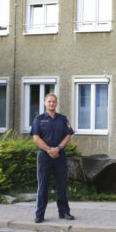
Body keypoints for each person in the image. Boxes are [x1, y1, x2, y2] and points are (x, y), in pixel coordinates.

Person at [30, 93, 75, 223]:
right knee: (43, 185)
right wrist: (49, 150)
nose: (52, 104)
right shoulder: (38, 119)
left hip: (59, 155)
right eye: (49, 101)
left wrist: (58, 149)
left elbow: (68, 136)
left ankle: (64, 212)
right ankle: (39, 214)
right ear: (45, 103)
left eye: (54, 102)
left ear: (56, 103)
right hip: (44, 156)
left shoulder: (62, 119)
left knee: (62, 185)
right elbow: (36, 138)